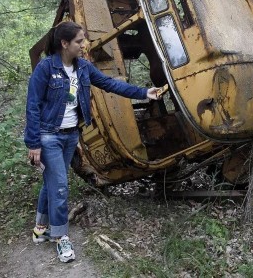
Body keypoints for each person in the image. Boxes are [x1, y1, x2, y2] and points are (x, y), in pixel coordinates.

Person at [24, 21, 160, 263]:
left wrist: (143, 92)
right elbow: (32, 106)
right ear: (64, 44)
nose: (83, 45)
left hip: (70, 135)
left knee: (52, 182)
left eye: (83, 39)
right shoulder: (46, 68)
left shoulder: (83, 68)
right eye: (79, 41)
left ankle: (40, 230)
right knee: (59, 185)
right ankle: (61, 237)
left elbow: (109, 84)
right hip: (48, 136)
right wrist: (33, 143)